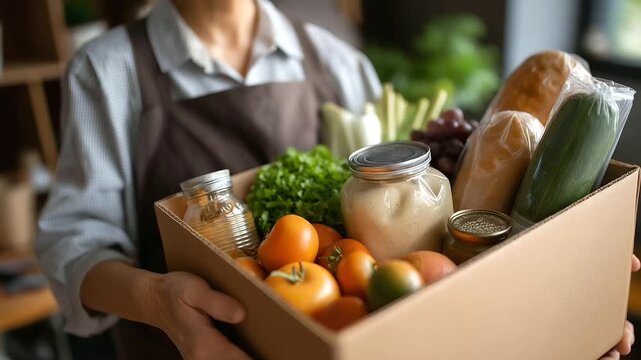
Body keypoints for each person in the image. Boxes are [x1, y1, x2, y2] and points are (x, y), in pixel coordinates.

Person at [34, 0, 636, 359]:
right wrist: (155, 300)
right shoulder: (110, 70)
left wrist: (562, 298)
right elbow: (73, 247)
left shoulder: (333, 58)